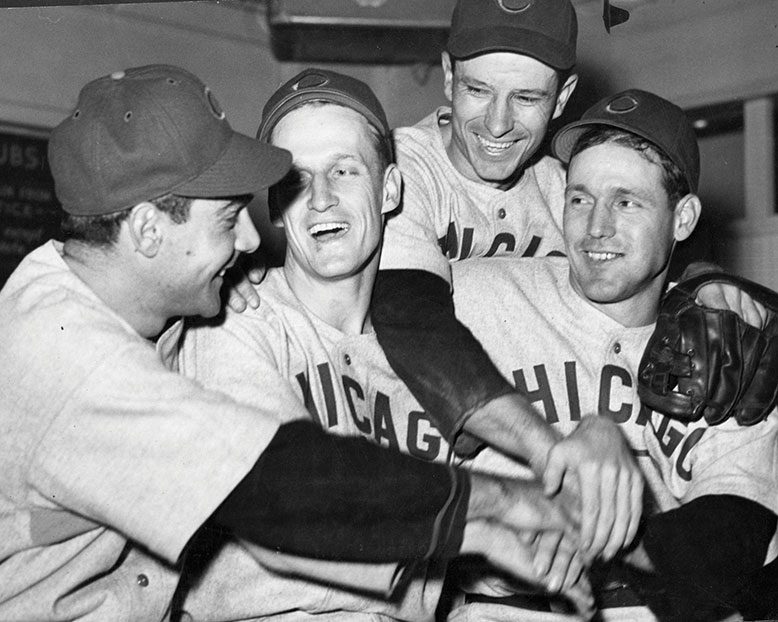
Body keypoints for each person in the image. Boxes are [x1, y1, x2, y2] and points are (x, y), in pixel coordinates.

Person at [0, 64, 594, 622]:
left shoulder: (124, 300)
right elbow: (280, 492)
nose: (254, 242)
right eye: (228, 219)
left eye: (344, 171)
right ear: (149, 230)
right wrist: (492, 511)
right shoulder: (68, 356)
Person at [176, 68, 593, 621]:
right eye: (297, 180)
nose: (321, 199)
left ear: (390, 189)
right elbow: (284, 509)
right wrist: (484, 521)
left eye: (345, 171)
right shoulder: (237, 323)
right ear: (275, 205)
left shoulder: (437, 358)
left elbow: (530, 502)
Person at [446, 89, 778, 620]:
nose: (595, 227)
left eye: (626, 201)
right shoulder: (477, 294)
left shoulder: (728, 338)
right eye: (580, 199)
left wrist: (586, 539)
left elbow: (734, 528)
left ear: (684, 218)